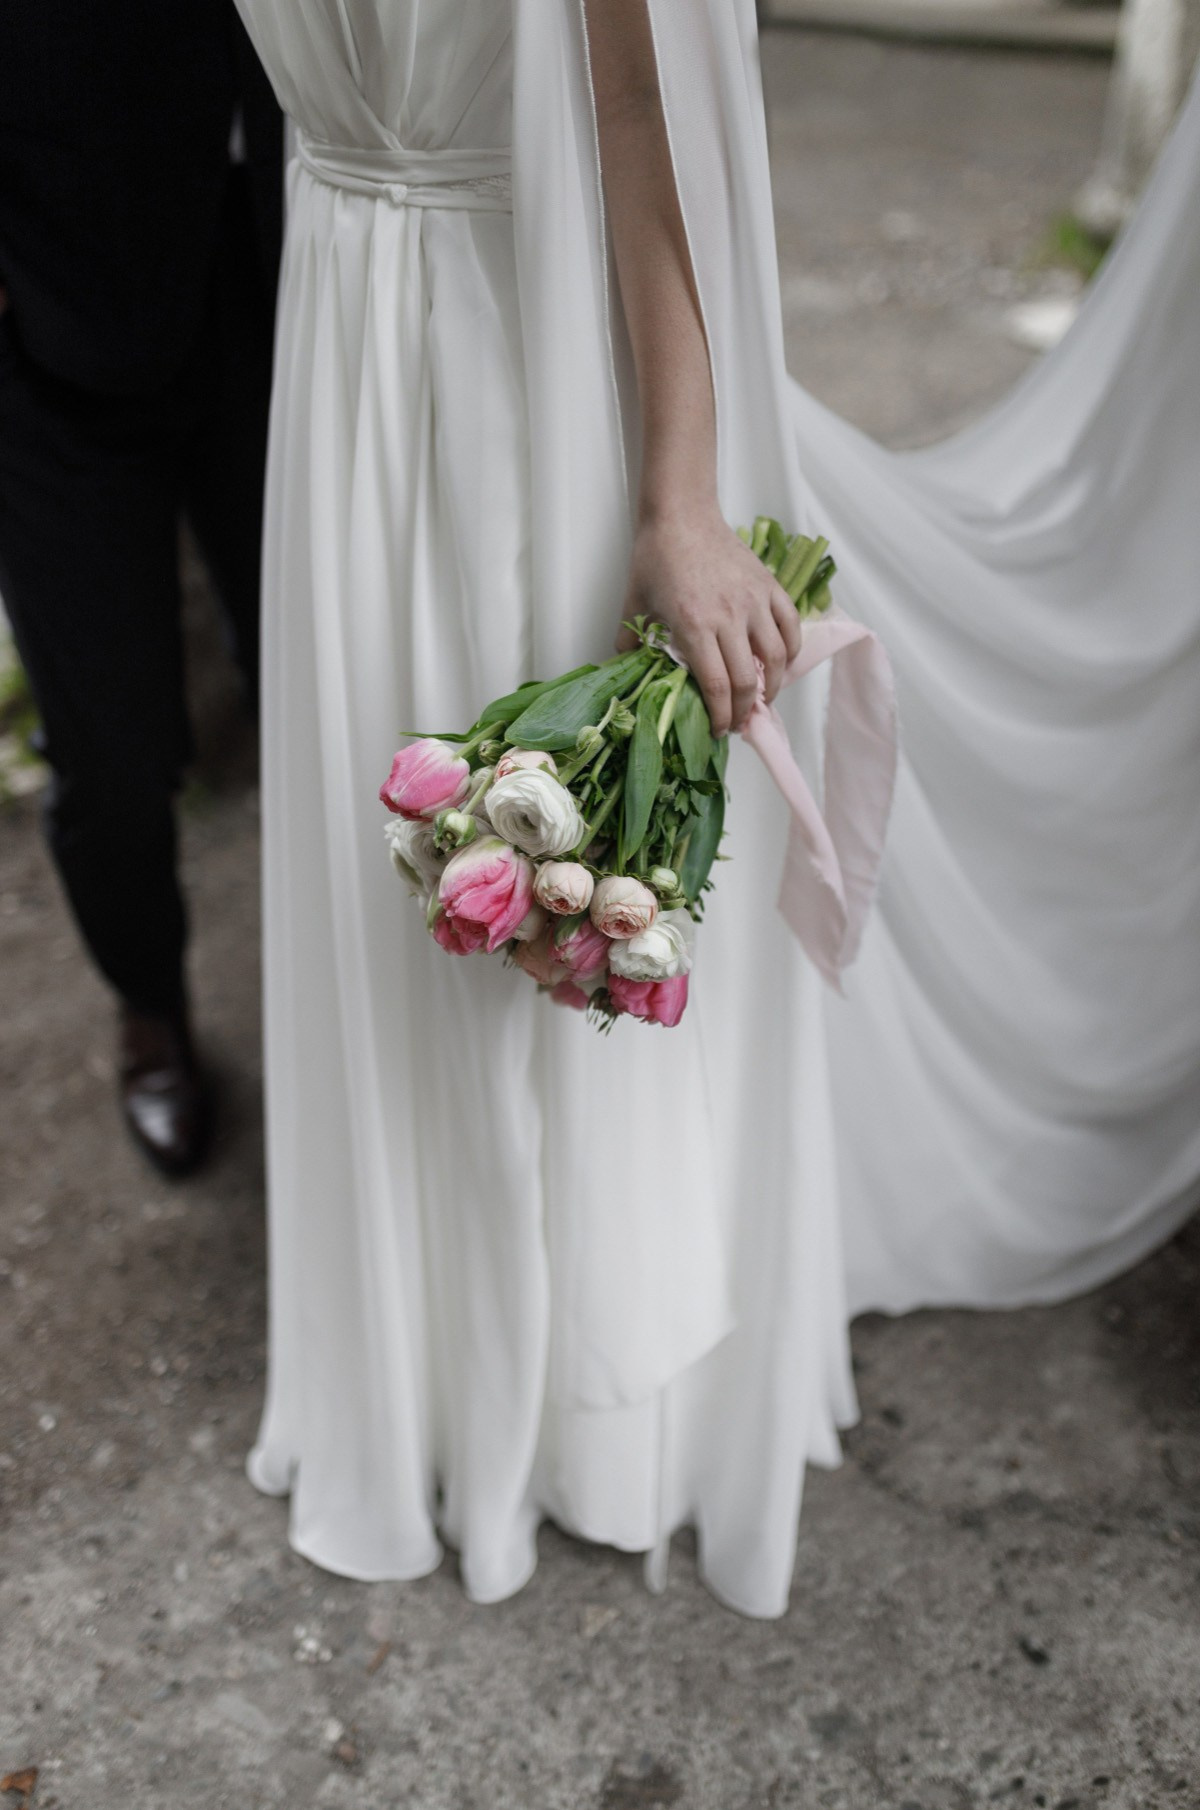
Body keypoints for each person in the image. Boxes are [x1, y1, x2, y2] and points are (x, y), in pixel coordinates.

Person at [232, 0, 1200, 1617]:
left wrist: (681, 499)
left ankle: (579, 1396)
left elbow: (642, 107)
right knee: (410, 887)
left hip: (518, 352)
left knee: (540, 872)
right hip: (344, 329)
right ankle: (422, 1374)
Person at [0, 2, 281, 1177]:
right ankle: (150, 1008)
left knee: (320, 662)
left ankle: (364, 1003)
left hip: (281, 271)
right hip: (47, 302)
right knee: (107, 738)